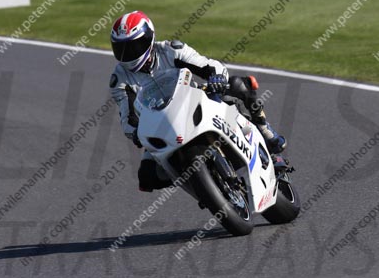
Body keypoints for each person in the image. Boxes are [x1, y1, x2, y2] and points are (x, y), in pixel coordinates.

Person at [109, 10, 286, 192]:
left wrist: (216, 78)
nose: (128, 54)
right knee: (146, 178)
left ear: (149, 39)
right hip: (160, 125)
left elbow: (210, 65)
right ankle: (201, 185)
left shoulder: (171, 51)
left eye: (135, 46)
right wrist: (136, 132)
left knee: (237, 85)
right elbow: (127, 118)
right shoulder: (119, 80)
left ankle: (264, 130)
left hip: (194, 101)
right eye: (121, 49)